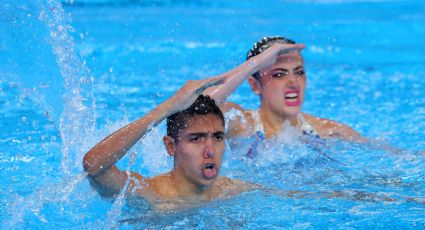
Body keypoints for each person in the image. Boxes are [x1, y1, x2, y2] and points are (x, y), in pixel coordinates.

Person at [82, 76, 255, 211]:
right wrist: (165, 109)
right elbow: (94, 166)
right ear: (170, 146)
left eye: (217, 137)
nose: (210, 151)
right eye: (196, 139)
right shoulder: (150, 194)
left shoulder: (230, 191)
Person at [206, 36, 365, 144]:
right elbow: (193, 108)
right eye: (279, 74)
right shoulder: (240, 125)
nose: (293, 82)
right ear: (255, 85)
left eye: (299, 72)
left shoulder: (328, 131)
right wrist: (257, 63)